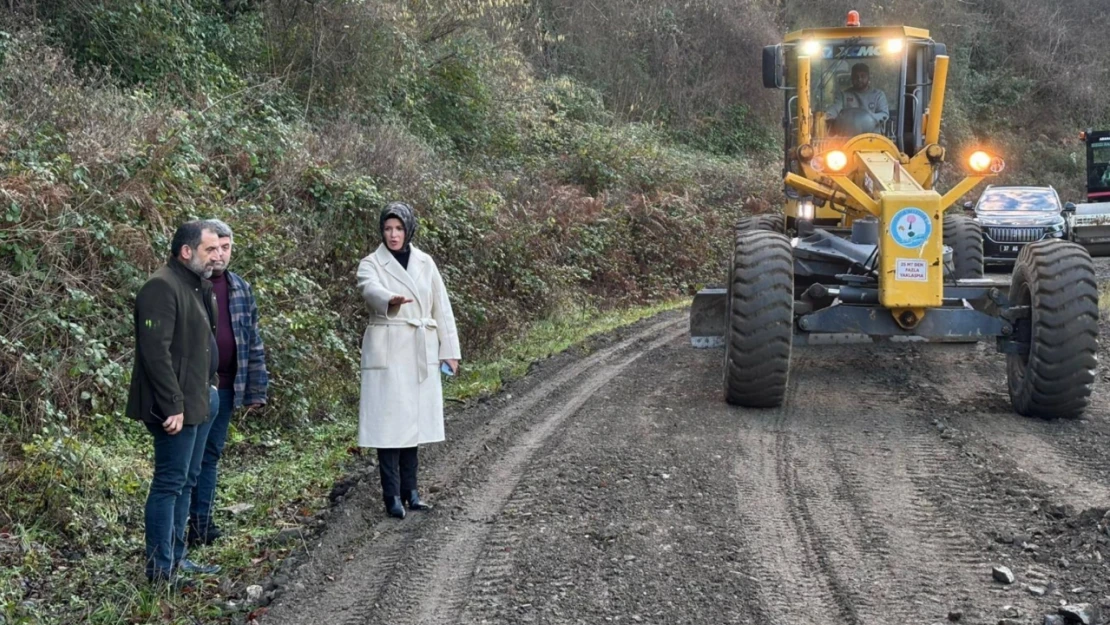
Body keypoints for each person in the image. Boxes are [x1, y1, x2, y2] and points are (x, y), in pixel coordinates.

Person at [126, 220, 224, 585]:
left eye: (219, 249)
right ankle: (160, 571)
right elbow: (155, 354)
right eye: (209, 250)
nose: (217, 256)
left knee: (187, 481)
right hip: (174, 408)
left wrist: (211, 387)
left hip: (201, 398)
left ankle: (177, 559)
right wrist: (173, 405)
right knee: (169, 484)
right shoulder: (160, 287)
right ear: (186, 251)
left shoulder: (198, 285)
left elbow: (201, 344)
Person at [355, 202, 461, 519]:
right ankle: (392, 497)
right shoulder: (370, 263)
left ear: (409, 229)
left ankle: (412, 492)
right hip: (388, 347)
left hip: (419, 347)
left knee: (412, 425)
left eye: (399, 228)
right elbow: (369, 289)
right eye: (388, 229)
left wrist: (449, 350)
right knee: (388, 425)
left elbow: (441, 308)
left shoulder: (425, 262)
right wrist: (390, 299)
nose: (393, 234)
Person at [187, 219, 269, 547]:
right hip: (193, 386)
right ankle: (183, 524)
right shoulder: (188, 285)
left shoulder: (240, 288)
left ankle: (202, 524)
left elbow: (252, 340)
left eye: (226, 248)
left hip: (226, 386)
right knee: (189, 458)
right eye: (214, 248)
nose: (219, 255)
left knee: (210, 454)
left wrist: (256, 389)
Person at [825, 62, 890, 136]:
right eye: (856, 76)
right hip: (848, 138)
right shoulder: (843, 95)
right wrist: (828, 116)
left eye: (863, 76)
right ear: (852, 78)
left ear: (868, 77)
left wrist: (867, 118)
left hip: (872, 137)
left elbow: (884, 115)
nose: (859, 79)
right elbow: (834, 109)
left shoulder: (878, 95)